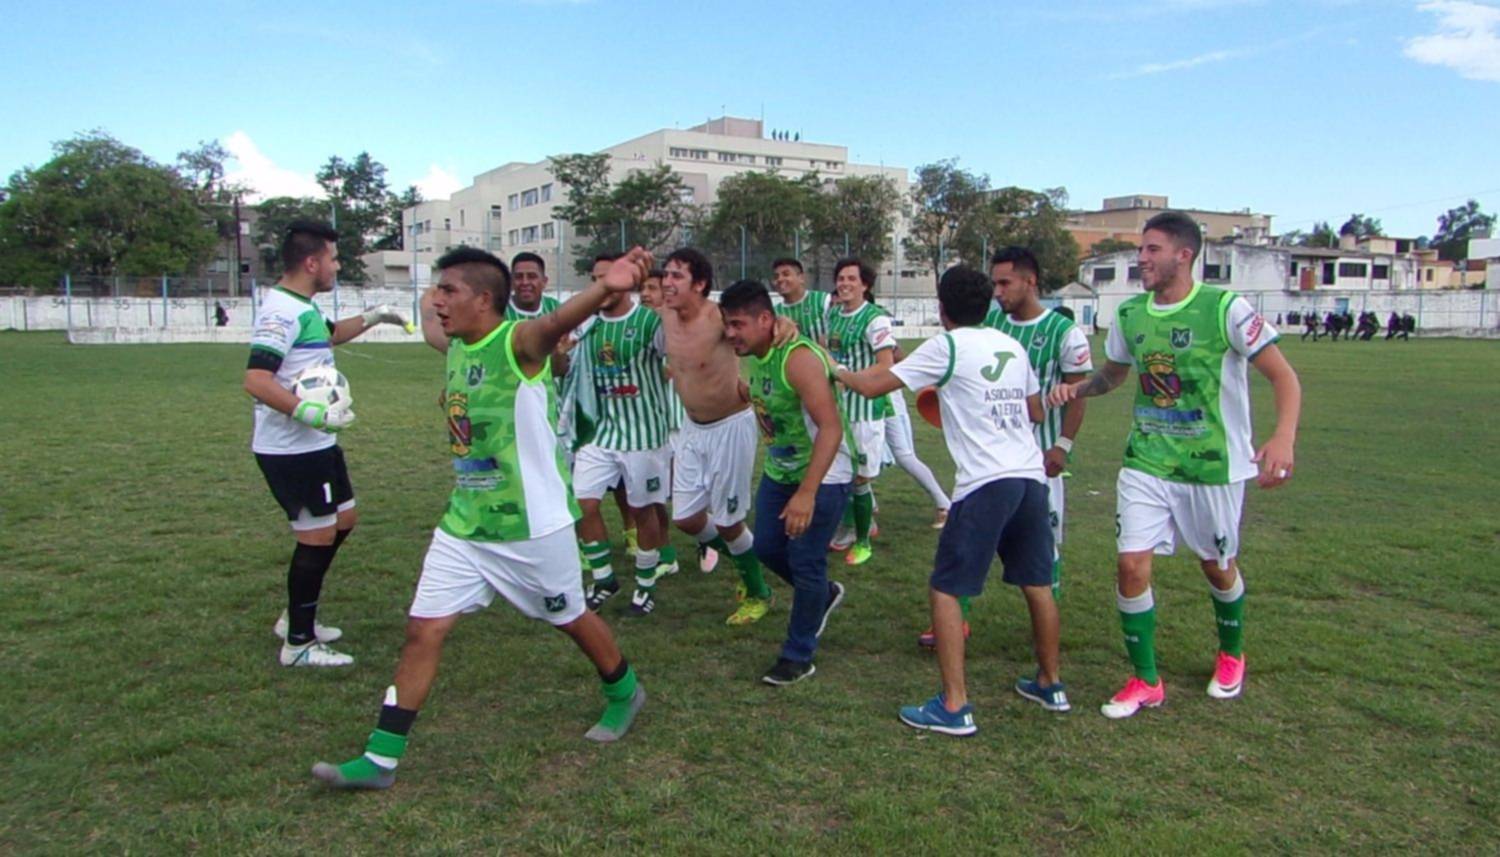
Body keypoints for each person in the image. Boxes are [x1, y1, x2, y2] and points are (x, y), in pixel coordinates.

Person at [311, 246, 651, 790]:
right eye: (437, 291)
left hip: (534, 527)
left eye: (450, 292)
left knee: (570, 618)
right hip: (466, 526)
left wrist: (606, 286)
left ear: (485, 300)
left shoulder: (517, 344)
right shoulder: (455, 345)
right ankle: (380, 758)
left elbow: (559, 321)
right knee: (424, 630)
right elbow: (430, 324)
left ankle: (623, 689)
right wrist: (419, 292)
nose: (438, 302)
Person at [1049, 211, 1301, 719]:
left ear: (1183, 254)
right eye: (1141, 250)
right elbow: (1115, 375)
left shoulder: (1225, 308)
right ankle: (1145, 679)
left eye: (1151, 249)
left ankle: (1232, 653)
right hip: (1147, 462)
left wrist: (1282, 437)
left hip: (1213, 467)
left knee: (1217, 564)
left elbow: (1285, 378)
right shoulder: (1130, 315)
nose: (1141, 258)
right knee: (1129, 564)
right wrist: (1079, 388)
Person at [839, 265, 1069, 735]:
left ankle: (954, 704)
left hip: (985, 483)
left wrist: (829, 365)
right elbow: (1034, 411)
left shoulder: (945, 346)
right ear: (986, 304)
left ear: (941, 309)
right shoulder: (1011, 345)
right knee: (1038, 583)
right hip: (1028, 478)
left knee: (946, 589)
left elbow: (871, 385)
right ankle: (1051, 683)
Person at [243, 220, 410, 667]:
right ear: (312, 262)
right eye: (334, 259)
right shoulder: (282, 311)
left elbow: (329, 334)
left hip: (316, 442)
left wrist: (374, 317)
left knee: (343, 521)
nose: (337, 266)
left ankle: (297, 614)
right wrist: (308, 411)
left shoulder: (304, 306)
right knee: (316, 536)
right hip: (290, 447)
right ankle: (298, 644)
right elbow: (256, 379)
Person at [721, 279, 852, 685]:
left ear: (766, 320)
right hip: (781, 471)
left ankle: (798, 654)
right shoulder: (757, 350)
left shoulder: (797, 358)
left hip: (824, 472)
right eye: (728, 324)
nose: (731, 333)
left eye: (739, 324)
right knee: (766, 547)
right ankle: (823, 595)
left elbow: (831, 428)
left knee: (805, 561)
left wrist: (807, 494)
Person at [658, 248, 794, 624]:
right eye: (665, 274)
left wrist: (785, 325)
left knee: (729, 521)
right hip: (691, 428)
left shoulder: (719, 317)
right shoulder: (663, 314)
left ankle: (758, 592)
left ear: (700, 284)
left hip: (731, 427)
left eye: (677, 277)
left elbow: (766, 325)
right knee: (686, 517)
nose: (667, 283)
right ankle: (740, 558)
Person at [572, 256, 676, 617]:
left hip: (644, 436)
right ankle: (603, 579)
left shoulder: (650, 321)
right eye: (596, 280)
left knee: (643, 509)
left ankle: (645, 586)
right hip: (600, 434)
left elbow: (679, 356)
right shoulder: (586, 326)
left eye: (608, 279)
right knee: (580, 503)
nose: (601, 287)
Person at [825, 257, 894, 566]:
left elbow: (885, 366)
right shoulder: (834, 315)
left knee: (861, 479)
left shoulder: (876, 319)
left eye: (852, 279)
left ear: (865, 285)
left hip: (865, 409)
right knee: (840, 474)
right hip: (838, 410)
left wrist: (846, 377)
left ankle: (864, 539)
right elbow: (828, 350)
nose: (845, 284)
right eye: (841, 278)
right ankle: (849, 526)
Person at [772, 257, 830, 345]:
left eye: (786, 274)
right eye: (776, 276)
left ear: (801, 278)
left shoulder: (823, 300)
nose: (780, 279)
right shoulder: (774, 312)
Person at [506, 252, 560, 319]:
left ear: (544, 281)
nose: (525, 282)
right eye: (518, 277)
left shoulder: (555, 308)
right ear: (511, 281)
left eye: (532, 276)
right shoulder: (497, 312)